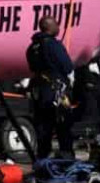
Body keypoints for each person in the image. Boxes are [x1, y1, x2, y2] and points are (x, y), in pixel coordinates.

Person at [26, 16, 75, 159]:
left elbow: (32, 67)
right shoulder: (53, 45)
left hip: (39, 91)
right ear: (49, 27)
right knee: (63, 124)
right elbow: (67, 66)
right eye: (57, 25)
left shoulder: (32, 47)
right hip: (55, 90)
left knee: (43, 127)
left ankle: (43, 157)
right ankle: (66, 156)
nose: (59, 28)